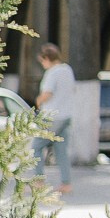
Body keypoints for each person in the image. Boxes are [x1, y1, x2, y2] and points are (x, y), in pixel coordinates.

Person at [34, 41, 77, 194]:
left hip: (51, 116)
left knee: (36, 146)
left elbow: (47, 93)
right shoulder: (67, 70)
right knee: (61, 150)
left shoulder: (52, 72)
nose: (42, 64)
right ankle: (66, 183)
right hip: (66, 115)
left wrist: (38, 101)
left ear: (46, 58)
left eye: (42, 61)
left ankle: (38, 181)